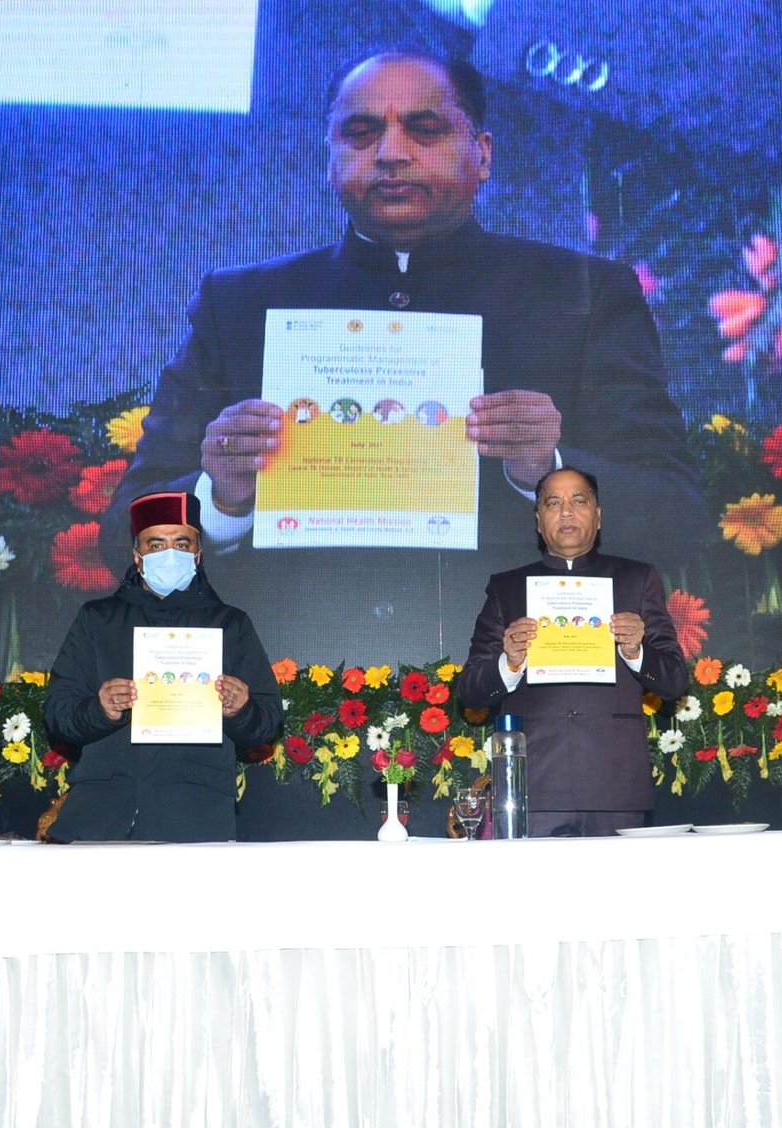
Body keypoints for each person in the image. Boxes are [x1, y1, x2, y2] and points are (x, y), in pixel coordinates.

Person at [104, 49, 707, 663]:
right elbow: (117, 536)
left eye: (425, 128)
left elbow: (678, 518)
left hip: (516, 684)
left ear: (483, 155)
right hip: (291, 685)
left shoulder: (581, 294)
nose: (390, 152)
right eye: (361, 132)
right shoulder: (240, 303)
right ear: (329, 157)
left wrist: (550, 475)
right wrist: (222, 497)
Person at [455, 467, 688, 835]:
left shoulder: (637, 579)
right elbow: (470, 690)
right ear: (538, 520)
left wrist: (636, 652)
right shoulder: (508, 588)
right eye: (553, 503)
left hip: (614, 784)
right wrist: (509, 663)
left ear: (598, 516)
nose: (566, 512)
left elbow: (674, 681)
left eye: (578, 501)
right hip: (534, 784)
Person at [44, 491, 283, 842]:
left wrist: (241, 710)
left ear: (198, 554)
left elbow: (267, 725)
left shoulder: (231, 625)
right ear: (137, 556)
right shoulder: (97, 620)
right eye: (156, 545)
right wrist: (101, 710)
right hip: (103, 814)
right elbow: (57, 716)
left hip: (195, 816)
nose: (170, 554)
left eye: (182, 544)